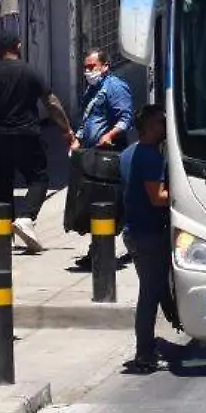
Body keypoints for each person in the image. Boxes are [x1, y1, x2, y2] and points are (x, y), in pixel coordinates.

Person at [0, 32, 77, 252]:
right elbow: (51, 102)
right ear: (18, 47)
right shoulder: (30, 72)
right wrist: (66, 130)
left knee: (3, 186)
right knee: (39, 178)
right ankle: (26, 217)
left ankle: (2, 236)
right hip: (27, 134)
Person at [120, 105, 174, 374]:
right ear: (151, 127)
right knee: (149, 294)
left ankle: (154, 343)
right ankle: (144, 353)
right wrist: (181, 194)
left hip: (134, 232)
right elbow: (157, 197)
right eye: (161, 124)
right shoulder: (150, 157)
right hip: (148, 233)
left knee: (153, 290)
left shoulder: (128, 153)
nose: (165, 128)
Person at [71, 49, 135, 269]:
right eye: (86, 67)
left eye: (92, 67)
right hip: (92, 155)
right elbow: (86, 118)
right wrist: (77, 139)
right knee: (93, 203)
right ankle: (97, 250)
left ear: (105, 66)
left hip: (110, 155)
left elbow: (126, 118)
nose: (88, 71)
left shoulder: (115, 87)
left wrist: (109, 135)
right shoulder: (92, 89)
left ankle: (109, 251)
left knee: (108, 204)